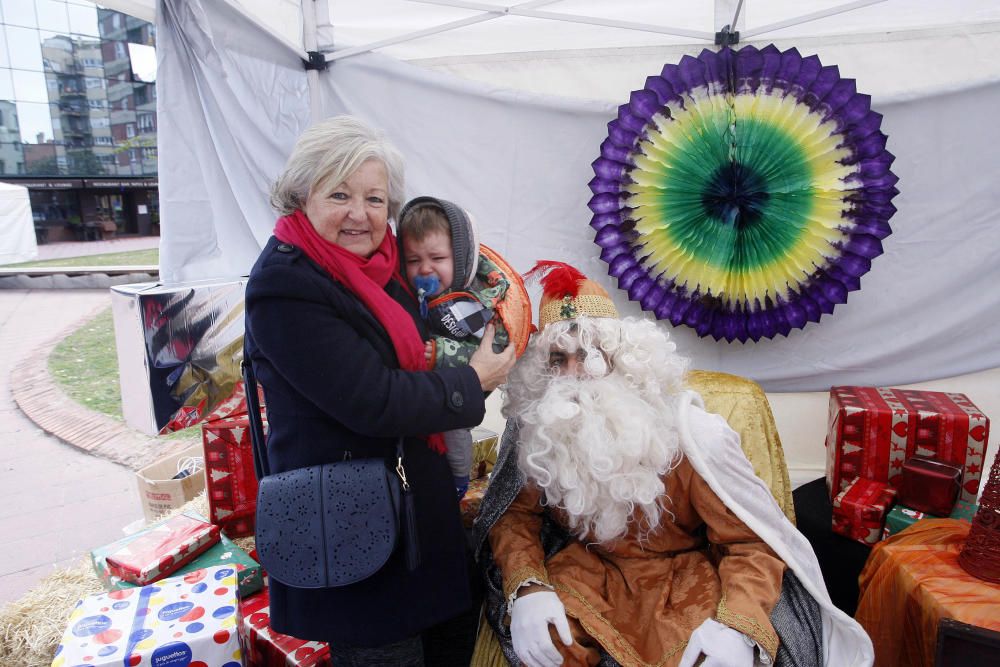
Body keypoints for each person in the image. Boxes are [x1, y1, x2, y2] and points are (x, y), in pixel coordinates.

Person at [474, 261, 874, 667]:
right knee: (547, 645)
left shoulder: (688, 434)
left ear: (622, 357)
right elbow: (514, 517)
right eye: (559, 359)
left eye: (591, 354)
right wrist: (528, 589)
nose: (576, 373)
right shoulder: (543, 427)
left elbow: (749, 542)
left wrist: (738, 626)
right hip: (587, 571)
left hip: (683, 575)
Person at [244, 115, 515, 666]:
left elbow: (454, 284)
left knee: (451, 646)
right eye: (339, 194)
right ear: (301, 195)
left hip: (419, 508)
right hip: (355, 524)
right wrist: (475, 379)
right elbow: (376, 401)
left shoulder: (386, 264)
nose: (359, 214)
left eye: (374, 198)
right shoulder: (285, 286)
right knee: (386, 654)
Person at [398, 196, 514, 499]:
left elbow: (493, 347)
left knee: (454, 429)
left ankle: (459, 478)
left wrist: (442, 351)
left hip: (459, 388)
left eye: (437, 259)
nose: (425, 269)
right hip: (422, 396)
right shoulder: (416, 293)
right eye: (413, 260)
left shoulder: (477, 299)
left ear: (460, 257)